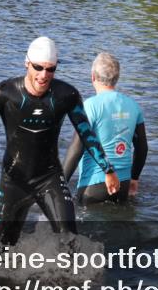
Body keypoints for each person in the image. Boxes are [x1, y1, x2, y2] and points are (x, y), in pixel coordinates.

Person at [0, 37, 115, 246]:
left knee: (71, 242)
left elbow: (86, 133)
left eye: (50, 69)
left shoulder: (67, 94)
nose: (43, 75)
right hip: (14, 180)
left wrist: (107, 169)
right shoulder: (4, 93)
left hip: (49, 177)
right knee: (2, 251)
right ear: (27, 63)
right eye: (38, 67)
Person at [63, 53, 148, 205]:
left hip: (93, 185)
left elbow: (76, 150)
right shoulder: (134, 106)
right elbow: (142, 148)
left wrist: (60, 185)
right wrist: (134, 178)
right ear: (117, 78)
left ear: (93, 77)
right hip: (123, 184)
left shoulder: (89, 106)